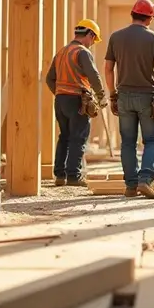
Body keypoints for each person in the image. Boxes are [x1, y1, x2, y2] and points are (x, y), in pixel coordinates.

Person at [104, 0, 154, 199]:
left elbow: (108, 69)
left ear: (132, 14)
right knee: (152, 140)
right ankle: (145, 179)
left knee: (128, 142)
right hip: (147, 97)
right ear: (150, 18)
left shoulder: (116, 37)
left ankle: (130, 186)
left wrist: (112, 95)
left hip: (124, 97)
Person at [45, 19, 106, 187]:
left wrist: (60, 92)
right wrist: (101, 96)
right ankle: (73, 176)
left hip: (61, 100)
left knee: (64, 136)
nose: (93, 43)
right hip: (78, 101)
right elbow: (93, 75)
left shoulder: (62, 52)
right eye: (94, 39)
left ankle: (60, 175)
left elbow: (49, 79)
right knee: (78, 138)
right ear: (90, 34)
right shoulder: (82, 52)